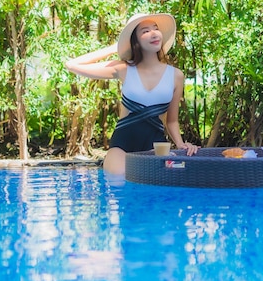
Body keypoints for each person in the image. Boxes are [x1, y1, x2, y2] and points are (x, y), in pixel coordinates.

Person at [66, 12, 199, 176]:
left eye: (155, 28)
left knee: (158, 192)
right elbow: (72, 64)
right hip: (122, 144)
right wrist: (114, 48)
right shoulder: (123, 69)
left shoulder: (176, 75)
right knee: (119, 180)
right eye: (145, 31)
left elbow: (172, 121)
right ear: (135, 41)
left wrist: (181, 144)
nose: (153, 33)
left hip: (155, 146)